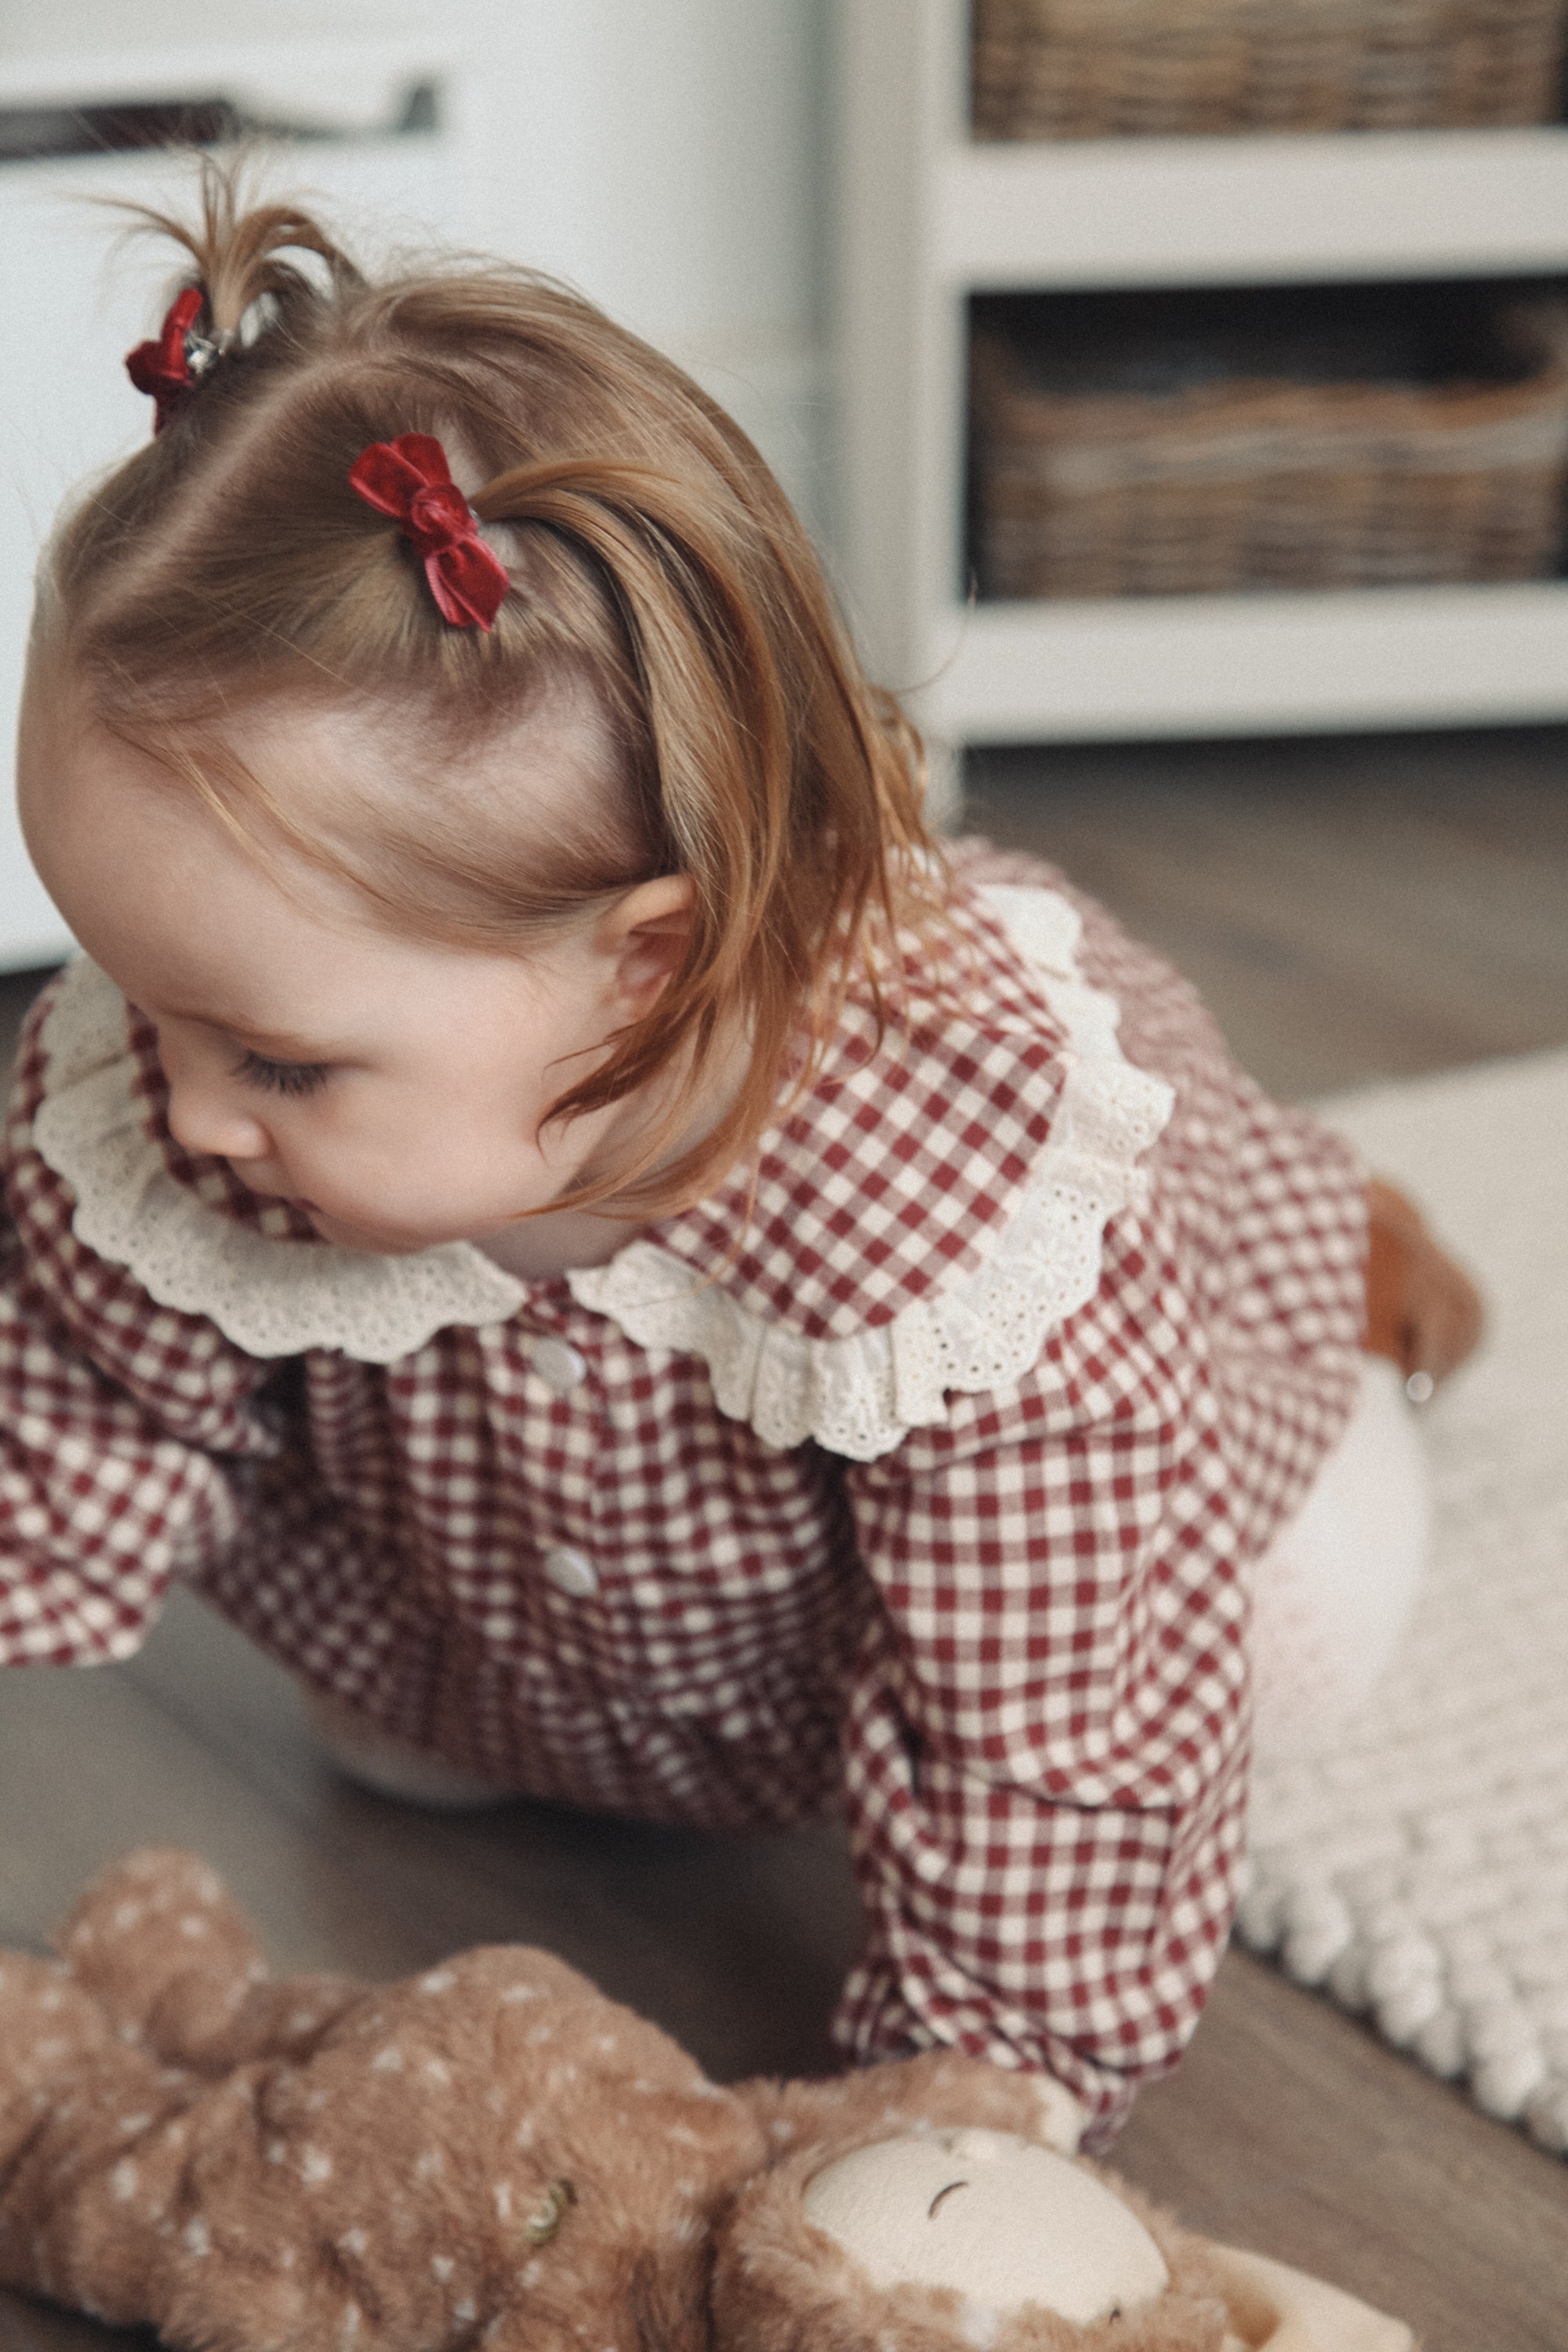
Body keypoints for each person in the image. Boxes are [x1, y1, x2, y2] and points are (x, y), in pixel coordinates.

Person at [1, 169, 1479, 2150]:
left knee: (1294, 1620)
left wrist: (971, 2106)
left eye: (273, 1052)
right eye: (133, 999)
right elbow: (81, 1416)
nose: (176, 1108)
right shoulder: (187, 1103)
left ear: (649, 965)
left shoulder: (957, 1203)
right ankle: (540, 1720)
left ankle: (1355, 1267)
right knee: (400, 1754)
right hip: (509, 1614)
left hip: (1006, 1574)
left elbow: (1055, 1733)